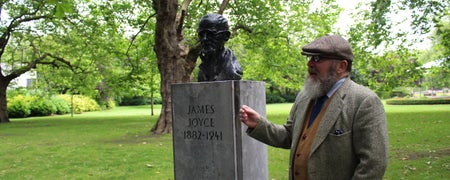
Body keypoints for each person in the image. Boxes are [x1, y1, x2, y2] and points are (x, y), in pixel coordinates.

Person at [240, 34, 388, 179]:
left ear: (341, 66)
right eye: (309, 57)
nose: (310, 63)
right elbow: (290, 136)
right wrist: (259, 124)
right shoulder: (305, 96)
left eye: (317, 58)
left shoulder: (364, 101)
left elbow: (373, 164)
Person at [197, 13, 243, 81]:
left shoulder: (232, 68)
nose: (204, 39)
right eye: (201, 35)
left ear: (226, 36)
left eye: (210, 34)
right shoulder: (203, 66)